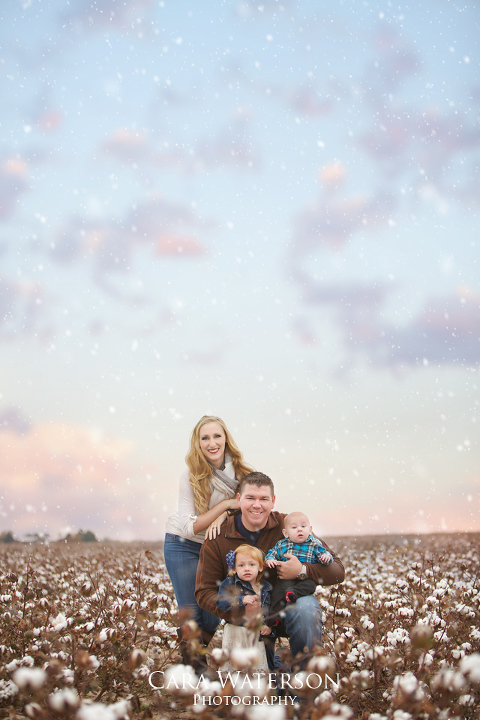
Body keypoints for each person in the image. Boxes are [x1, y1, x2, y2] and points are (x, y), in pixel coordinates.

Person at [195, 472, 345, 672]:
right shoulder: (218, 537)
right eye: (250, 498)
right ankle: (274, 670)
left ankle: (303, 685)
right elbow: (204, 591)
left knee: (306, 608)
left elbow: (337, 570)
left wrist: (302, 570)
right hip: (247, 615)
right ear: (238, 500)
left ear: (273, 501)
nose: (257, 505)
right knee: (258, 681)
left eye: (263, 499)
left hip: (286, 605)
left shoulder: (290, 526)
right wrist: (239, 609)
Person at [164, 416, 254, 666]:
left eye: (217, 436)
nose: (212, 443)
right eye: (205, 438)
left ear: (226, 439)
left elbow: (251, 507)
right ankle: (194, 667)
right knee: (191, 611)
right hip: (182, 543)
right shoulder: (190, 475)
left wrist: (226, 515)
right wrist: (225, 505)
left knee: (214, 610)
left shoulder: (244, 473)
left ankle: (192, 661)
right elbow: (189, 527)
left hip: (215, 546)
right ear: (198, 443)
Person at [264, 511, 333, 624]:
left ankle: (294, 593)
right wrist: (270, 560)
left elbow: (326, 555)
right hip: (285, 578)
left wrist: (325, 557)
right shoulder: (283, 544)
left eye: (303, 526)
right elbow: (272, 553)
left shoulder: (314, 544)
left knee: (310, 585)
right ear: (286, 533)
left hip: (305, 579)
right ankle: (274, 617)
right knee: (277, 593)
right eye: (294, 527)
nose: (299, 529)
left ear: (310, 530)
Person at [216, 544, 272, 675]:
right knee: (235, 666)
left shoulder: (265, 587)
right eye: (241, 565)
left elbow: (267, 610)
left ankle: (255, 692)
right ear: (234, 569)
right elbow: (221, 602)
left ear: (260, 567)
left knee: (255, 667)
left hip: (256, 633)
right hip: (236, 630)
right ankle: (232, 692)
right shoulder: (229, 583)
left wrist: (267, 625)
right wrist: (240, 600)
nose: (247, 569)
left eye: (251, 564)